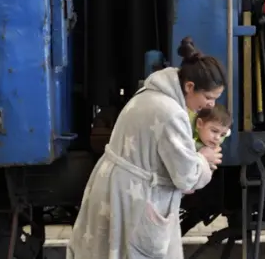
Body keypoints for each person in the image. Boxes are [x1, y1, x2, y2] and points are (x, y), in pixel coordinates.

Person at [67, 37, 226, 259]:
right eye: (208, 97)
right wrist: (203, 159)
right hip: (134, 199)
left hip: (114, 189)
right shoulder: (171, 113)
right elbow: (187, 177)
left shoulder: (148, 94)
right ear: (190, 87)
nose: (211, 105)